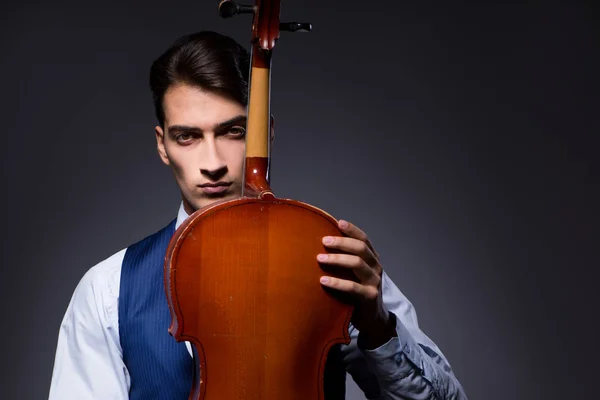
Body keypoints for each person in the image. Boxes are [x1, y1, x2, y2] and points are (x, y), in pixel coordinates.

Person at [48, 31, 467, 399]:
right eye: (188, 137)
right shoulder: (107, 292)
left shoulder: (329, 260)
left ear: (264, 133)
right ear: (163, 146)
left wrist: (378, 327)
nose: (212, 162)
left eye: (233, 132)